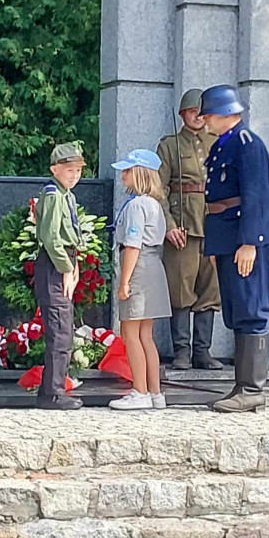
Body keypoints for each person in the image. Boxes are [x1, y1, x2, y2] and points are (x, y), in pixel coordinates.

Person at [199, 85, 269, 413]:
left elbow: (257, 195)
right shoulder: (225, 145)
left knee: (251, 309)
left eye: (208, 114)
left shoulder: (247, 144)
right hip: (228, 235)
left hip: (246, 238)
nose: (204, 119)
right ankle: (242, 385)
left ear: (224, 113)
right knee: (237, 310)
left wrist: (250, 241)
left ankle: (252, 389)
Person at [156, 89, 222, 370]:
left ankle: (202, 351)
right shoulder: (170, 145)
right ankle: (181, 351)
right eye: (192, 110)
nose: (197, 116)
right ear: (183, 114)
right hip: (183, 226)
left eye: (201, 111)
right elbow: (158, 189)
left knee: (211, 290)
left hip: (214, 226)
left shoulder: (219, 143)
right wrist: (169, 225)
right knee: (180, 290)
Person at [108, 149, 173, 410]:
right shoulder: (155, 204)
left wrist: (124, 282)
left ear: (140, 173)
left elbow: (132, 245)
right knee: (146, 334)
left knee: (130, 332)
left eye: (127, 170)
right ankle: (155, 392)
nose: (123, 174)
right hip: (154, 265)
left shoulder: (136, 205)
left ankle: (140, 391)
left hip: (139, 267)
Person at [35, 142, 88, 410]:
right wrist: (66, 267)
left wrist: (73, 265)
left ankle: (52, 389)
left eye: (78, 169)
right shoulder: (54, 194)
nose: (74, 174)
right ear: (55, 169)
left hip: (64, 261)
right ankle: (53, 393)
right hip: (55, 264)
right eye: (69, 169)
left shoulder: (67, 195)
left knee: (64, 329)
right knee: (60, 331)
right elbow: (50, 237)